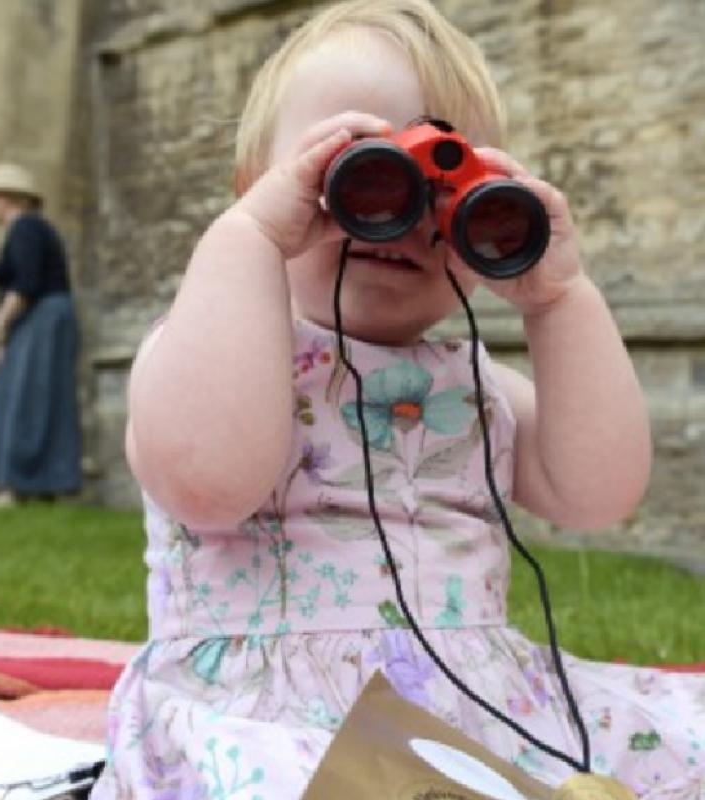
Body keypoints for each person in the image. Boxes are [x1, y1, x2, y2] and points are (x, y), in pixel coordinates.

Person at [91, 1, 705, 798]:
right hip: (271, 717)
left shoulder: (473, 383)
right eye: (358, 166)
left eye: (449, 191)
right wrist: (245, 240)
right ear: (258, 188)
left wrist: (561, 301)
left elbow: (599, 494)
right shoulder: (207, 348)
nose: (398, 208)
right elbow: (211, 484)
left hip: (482, 705)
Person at [0, 163, 82, 507]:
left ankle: (15, 485)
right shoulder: (33, 229)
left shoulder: (27, 228)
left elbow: (25, 285)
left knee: (25, 400)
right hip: (44, 317)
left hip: (43, 315)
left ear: (9, 199)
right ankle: (41, 484)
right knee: (36, 397)